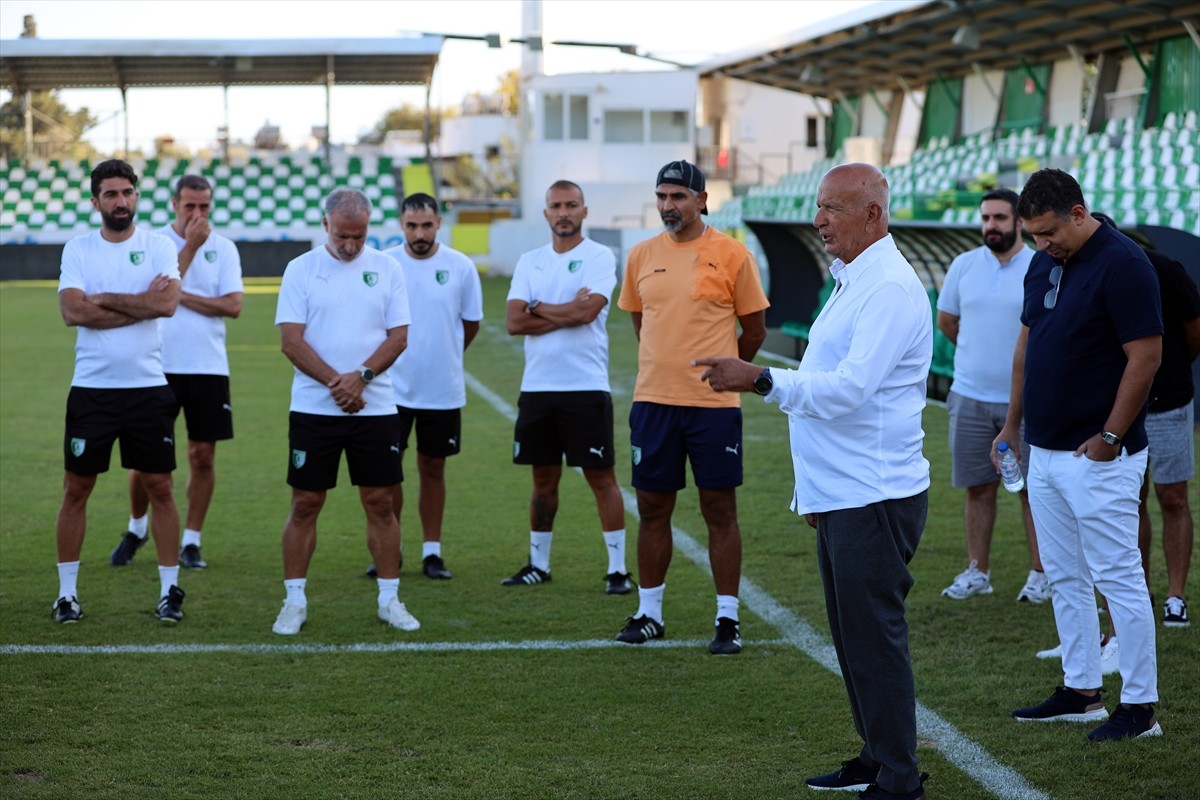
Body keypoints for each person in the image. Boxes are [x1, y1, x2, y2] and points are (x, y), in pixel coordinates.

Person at [696, 162, 932, 800]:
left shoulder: (887, 287)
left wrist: (760, 378)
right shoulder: (856, 277)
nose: (818, 219)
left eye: (832, 208)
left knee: (873, 640)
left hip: (873, 495)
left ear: (872, 214)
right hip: (846, 493)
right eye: (820, 206)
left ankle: (899, 777)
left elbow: (850, 390)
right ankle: (877, 756)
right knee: (854, 639)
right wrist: (815, 494)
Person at [1002, 169, 1163, 741]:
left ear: (1078, 212)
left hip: (1099, 455)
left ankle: (1140, 707)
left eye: (1049, 232)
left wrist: (1111, 437)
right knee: (1065, 575)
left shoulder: (1124, 263)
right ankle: (1082, 691)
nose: (1042, 244)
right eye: (1034, 235)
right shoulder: (1042, 261)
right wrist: (1012, 424)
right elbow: (1027, 346)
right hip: (1044, 449)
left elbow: (1146, 356)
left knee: (1118, 576)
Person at [614, 159, 768, 656]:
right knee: (652, 509)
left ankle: (728, 619)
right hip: (653, 402)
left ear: (702, 200)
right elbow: (641, 324)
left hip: (712, 407)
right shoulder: (640, 255)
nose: (668, 205)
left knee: (719, 509)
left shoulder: (733, 254)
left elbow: (755, 330)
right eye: (662, 196)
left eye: (678, 196)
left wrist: (728, 371)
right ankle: (649, 613)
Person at [271, 188, 418, 635]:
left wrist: (362, 378)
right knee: (305, 503)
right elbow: (291, 341)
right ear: (325, 225)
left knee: (380, 503)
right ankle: (294, 601)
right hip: (314, 409)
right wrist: (339, 383)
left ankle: (389, 599)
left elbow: (398, 337)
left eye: (359, 236)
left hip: (376, 408)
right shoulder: (300, 269)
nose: (351, 245)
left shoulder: (388, 268)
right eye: (342, 236)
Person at [54, 158, 186, 624]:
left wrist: (105, 298)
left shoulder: (157, 246)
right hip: (92, 389)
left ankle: (169, 590)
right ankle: (67, 594)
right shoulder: (79, 249)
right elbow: (73, 312)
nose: (120, 201)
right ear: (96, 202)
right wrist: (139, 304)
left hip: (148, 389)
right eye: (110, 194)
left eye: (127, 192)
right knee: (77, 488)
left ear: (137, 196)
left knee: (160, 488)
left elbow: (167, 304)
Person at [500, 180, 630, 594]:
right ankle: (538, 564)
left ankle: (617, 570)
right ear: (545, 213)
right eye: (555, 206)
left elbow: (587, 313)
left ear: (584, 211)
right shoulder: (530, 261)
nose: (563, 213)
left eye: (571, 205)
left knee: (601, 478)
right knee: (543, 481)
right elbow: (514, 322)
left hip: (585, 386)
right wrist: (566, 309)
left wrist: (538, 306)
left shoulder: (599, 256)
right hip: (537, 388)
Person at [113, 175, 243, 571]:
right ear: (174, 204)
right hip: (156, 365)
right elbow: (150, 299)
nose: (197, 214)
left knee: (202, 457)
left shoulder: (225, 247)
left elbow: (233, 305)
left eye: (204, 206)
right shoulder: (154, 244)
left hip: (208, 366)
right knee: (146, 460)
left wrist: (179, 296)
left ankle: (191, 540)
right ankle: (137, 527)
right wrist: (190, 249)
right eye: (190, 206)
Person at [936, 189, 1047, 603]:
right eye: (986, 218)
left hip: (1029, 401)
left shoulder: (1040, 264)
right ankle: (977, 571)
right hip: (968, 396)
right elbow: (947, 321)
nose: (991, 226)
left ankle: (1041, 574)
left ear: (1019, 221)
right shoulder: (963, 265)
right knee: (978, 488)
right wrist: (979, 356)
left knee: (1033, 492)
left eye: (1000, 217)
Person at [366, 193, 483, 580]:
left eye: (427, 225)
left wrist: (444, 355)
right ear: (401, 225)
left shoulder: (460, 266)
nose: (420, 234)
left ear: (438, 224)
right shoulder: (385, 265)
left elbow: (470, 324)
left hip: (441, 389)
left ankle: (432, 552)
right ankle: (392, 547)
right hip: (390, 390)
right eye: (412, 226)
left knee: (433, 469)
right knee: (389, 472)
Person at [1133, 235, 1198, 628]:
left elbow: (1194, 332)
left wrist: (1169, 371)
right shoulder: (1083, 272)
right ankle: (1137, 591)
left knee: (1173, 497)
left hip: (1169, 401)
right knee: (1130, 500)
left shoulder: (1166, 270)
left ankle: (1176, 596)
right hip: (1121, 407)